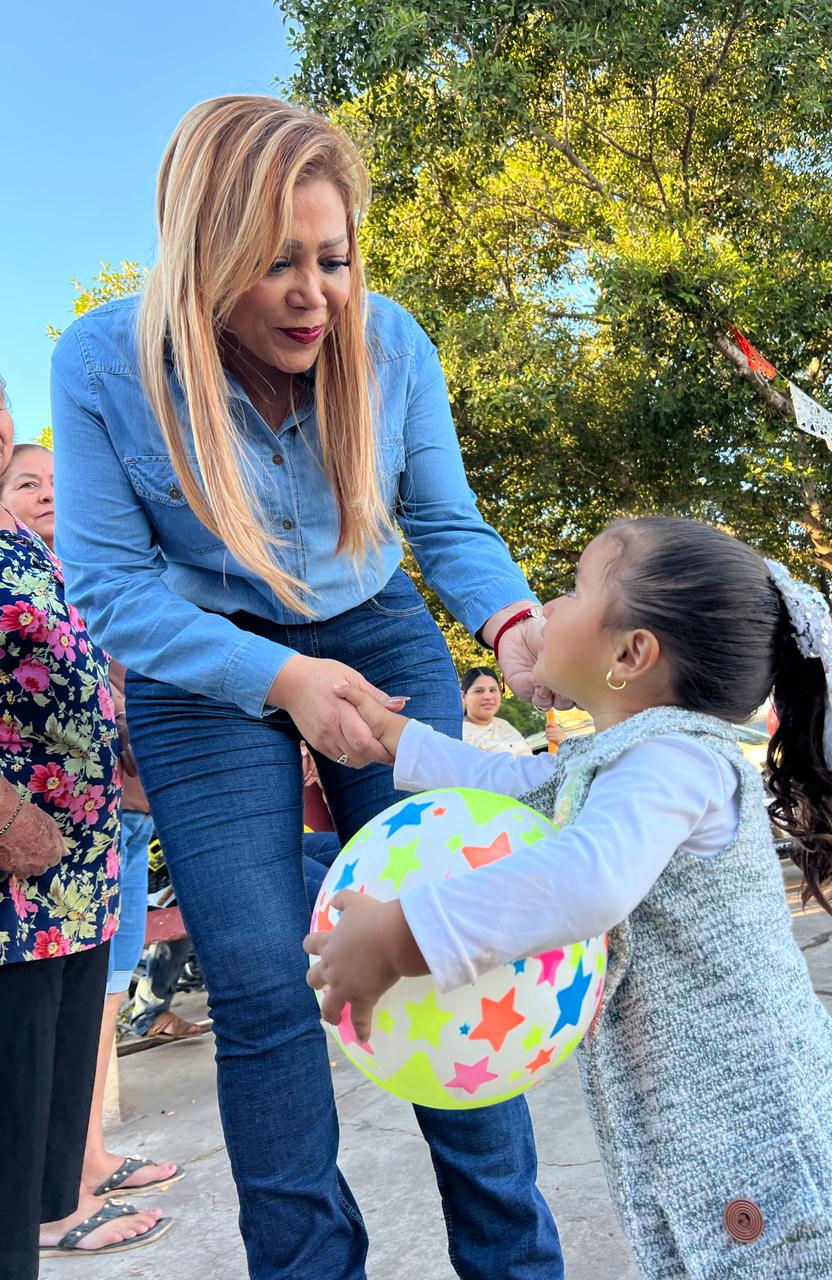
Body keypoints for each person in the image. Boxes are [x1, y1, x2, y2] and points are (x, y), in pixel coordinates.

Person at [51, 96, 567, 1280]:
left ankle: (514, 1262)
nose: (314, 293)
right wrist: (277, 676)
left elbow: (443, 520)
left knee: (450, 952)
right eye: (274, 261)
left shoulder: (391, 344)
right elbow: (114, 593)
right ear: (202, 249)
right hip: (199, 648)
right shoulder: (99, 363)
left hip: (377, 628)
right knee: (260, 978)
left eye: (332, 259)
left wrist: (514, 620)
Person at [308, 516, 832, 1280]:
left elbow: (586, 879)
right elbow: (520, 787)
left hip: (760, 1131)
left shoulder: (675, 761)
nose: (548, 609)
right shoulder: (623, 758)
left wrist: (404, 937)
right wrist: (397, 738)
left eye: (572, 588)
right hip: (699, 1128)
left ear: (632, 654)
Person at [0, 377, 169, 1276]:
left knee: (45, 1133)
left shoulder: (33, 552)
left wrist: (126, 747)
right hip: (14, 880)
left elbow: (83, 663)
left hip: (75, 870)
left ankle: (59, 1204)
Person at [461, 665, 534, 754]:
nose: (488, 697)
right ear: (463, 697)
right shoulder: (458, 734)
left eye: (492, 690)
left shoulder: (505, 726)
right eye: (479, 691)